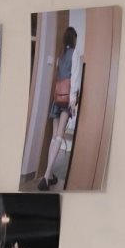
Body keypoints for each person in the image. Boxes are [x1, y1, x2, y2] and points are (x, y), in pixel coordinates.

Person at [38, 25, 79, 189]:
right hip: (67, 99)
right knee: (60, 137)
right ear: (74, 39)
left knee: (54, 137)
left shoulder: (60, 57)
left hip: (57, 98)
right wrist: (73, 101)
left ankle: (48, 175)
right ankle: (46, 176)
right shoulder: (75, 54)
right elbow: (74, 78)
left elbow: (59, 77)